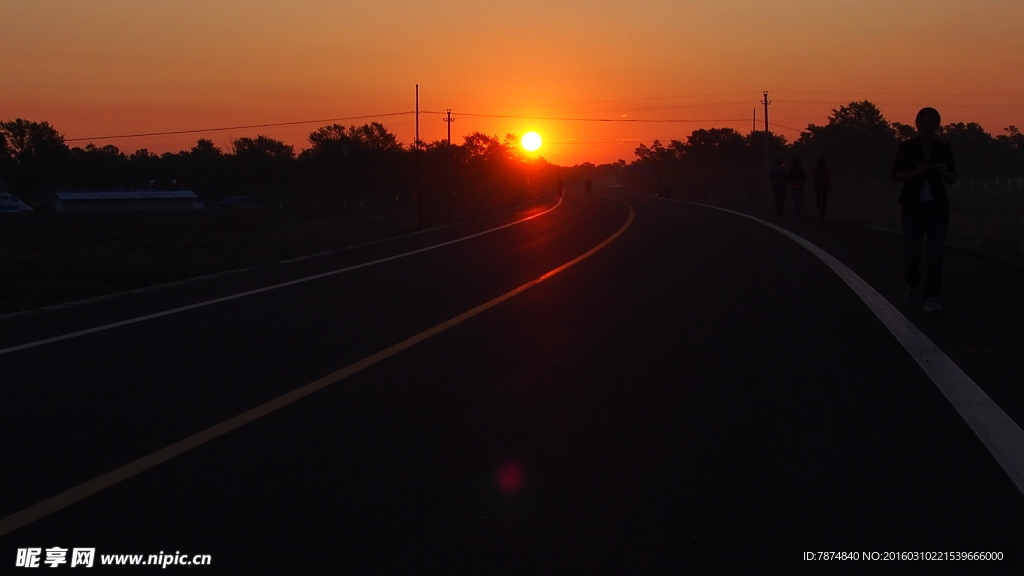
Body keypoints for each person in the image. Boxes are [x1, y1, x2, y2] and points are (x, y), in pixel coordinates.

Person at [891, 107, 957, 313]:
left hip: (937, 206)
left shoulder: (943, 149)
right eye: (924, 121)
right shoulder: (907, 147)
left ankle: (931, 296)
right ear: (917, 124)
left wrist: (944, 173)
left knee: (935, 253)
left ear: (938, 125)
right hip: (913, 206)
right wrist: (914, 173)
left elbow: (953, 178)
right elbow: (895, 175)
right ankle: (912, 283)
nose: (928, 125)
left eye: (932, 121)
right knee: (912, 252)